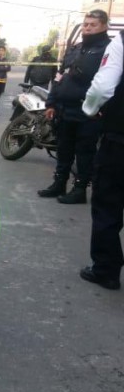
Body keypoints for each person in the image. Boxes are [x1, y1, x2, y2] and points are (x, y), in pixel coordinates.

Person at [38, 10, 111, 205]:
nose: (88, 28)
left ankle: (79, 189)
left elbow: (110, 83)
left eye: (93, 24)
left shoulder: (109, 50)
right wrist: (52, 102)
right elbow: (60, 76)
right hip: (64, 109)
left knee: (85, 153)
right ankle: (59, 183)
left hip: (89, 112)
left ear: (104, 26)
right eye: (86, 24)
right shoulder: (77, 48)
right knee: (64, 149)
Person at [79, 27, 124, 290]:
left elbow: (104, 84)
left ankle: (106, 270)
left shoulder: (120, 41)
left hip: (119, 140)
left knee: (108, 205)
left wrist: (91, 108)